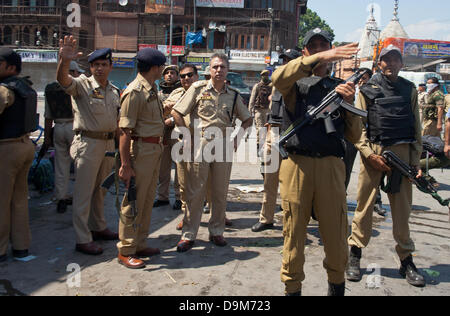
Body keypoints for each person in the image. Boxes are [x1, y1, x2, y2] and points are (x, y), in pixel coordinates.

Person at [272, 28, 360, 296]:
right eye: (315, 46)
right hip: (297, 165)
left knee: (335, 233)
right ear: (305, 52)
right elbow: (277, 77)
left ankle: (336, 285)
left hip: (331, 166)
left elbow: (354, 135)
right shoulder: (293, 84)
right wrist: (323, 56)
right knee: (294, 233)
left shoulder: (339, 88)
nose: (321, 50)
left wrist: (349, 101)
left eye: (325, 45)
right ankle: (292, 287)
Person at [346, 45, 425, 288]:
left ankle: (406, 260)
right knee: (365, 206)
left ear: (402, 64)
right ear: (379, 63)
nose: (390, 63)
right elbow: (357, 126)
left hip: (401, 154)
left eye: (395, 59)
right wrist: (368, 154)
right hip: (375, 152)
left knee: (402, 211)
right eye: (386, 60)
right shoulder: (367, 89)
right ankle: (355, 254)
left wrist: (416, 162)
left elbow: (416, 127)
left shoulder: (409, 89)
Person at [171, 53, 253, 252]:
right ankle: (189, 234)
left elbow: (248, 119)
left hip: (223, 147)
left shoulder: (233, 95)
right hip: (200, 145)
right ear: (209, 70)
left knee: (219, 192)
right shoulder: (197, 89)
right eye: (215, 67)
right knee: (195, 192)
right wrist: (187, 136)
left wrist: (236, 138)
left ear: (227, 71)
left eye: (222, 67)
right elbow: (176, 112)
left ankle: (216, 231)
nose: (218, 70)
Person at [57, 36, 120, 255]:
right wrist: (64, 61)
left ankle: (99, 227)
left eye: (104, 64)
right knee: (83, 194)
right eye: (95, 65)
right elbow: (64, 81)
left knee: (100, 191)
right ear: (90, 67)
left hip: (108, 144)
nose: (100, 68)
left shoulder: (114, 91)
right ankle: (83, 239)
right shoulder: (82, 85)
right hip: (88, 143)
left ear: (111, 66)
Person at [116, 48, 167, 269]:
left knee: (146, 200)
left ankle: (140, 243)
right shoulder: (134, 92)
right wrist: (126, 165)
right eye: (162, 66)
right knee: (133, 201)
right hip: (140, 151)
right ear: (155, 68)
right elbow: (124, 132)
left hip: (153, 150)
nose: (163, 70)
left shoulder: (151, 90)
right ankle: (126, 250)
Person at [252, 48, 301, 233]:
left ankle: (294, 222)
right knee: (269, 181)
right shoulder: (277, 85)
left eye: (290, 61)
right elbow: (273, 111)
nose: (285, 64)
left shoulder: (304, 85)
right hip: (274, 134)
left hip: (295, 137)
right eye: (284, 60)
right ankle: (266, 218)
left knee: (293, 186)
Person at [0, 48, 37, 262]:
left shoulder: (4, 90)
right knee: (20, 199)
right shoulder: (27, 87)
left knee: (2, 200)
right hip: (25, 145)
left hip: (7, 147)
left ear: (11, 67)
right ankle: (22, 246)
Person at [44, 61, 83, 214]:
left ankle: (61, 197)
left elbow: (48, 116)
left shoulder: (50, 89)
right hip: (75, 128)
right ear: (72, 72)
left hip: (58, 127)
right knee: (80, 164)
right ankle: (80, 198)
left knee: (61, 165)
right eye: (76, 72)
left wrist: (47, 137)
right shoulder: (76, 87)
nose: (78, 75)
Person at [154, 65, 182, 209]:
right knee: (163, 168)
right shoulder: (158, 93)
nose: (170, 75)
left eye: (173, 73)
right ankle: (162, 197)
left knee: (179, 167)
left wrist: (170, 119)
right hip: (162, 133)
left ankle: (179, 197)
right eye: (167, 73)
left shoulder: (182, 92)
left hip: (177, 133)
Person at [249, 69, 272, 154]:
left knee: (267, 130)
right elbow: (252, 99)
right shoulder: (257, 86)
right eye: (264, 75)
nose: (265, 77)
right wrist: (249, 111)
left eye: (266, 75)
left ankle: (265, 147)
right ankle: (259, 147)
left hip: (268, 110)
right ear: (261, 76)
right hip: (258, 110)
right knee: (260, 129)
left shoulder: (272, 86)